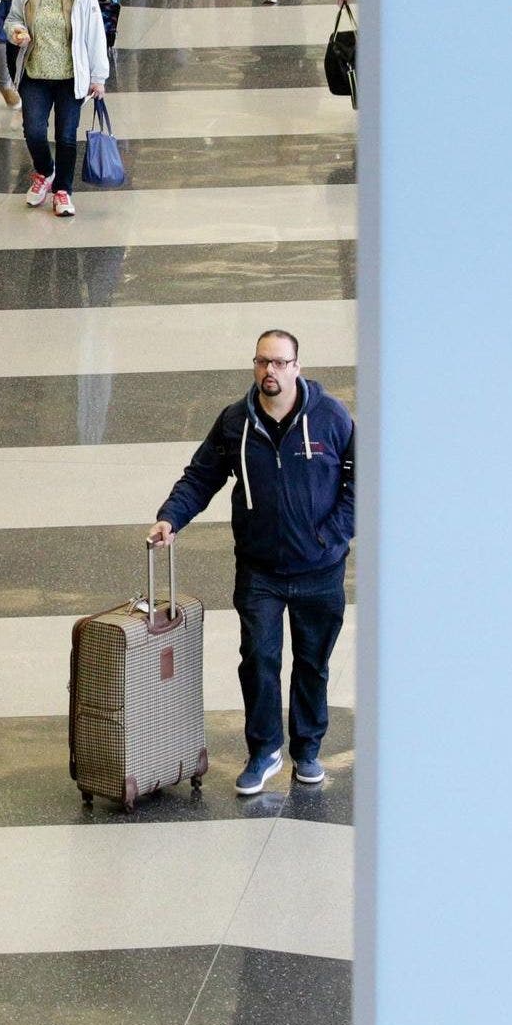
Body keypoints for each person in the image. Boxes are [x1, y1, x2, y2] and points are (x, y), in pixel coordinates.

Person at [149, 330, 356, 797]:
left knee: (312, 664)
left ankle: (306, 750)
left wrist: (333, 533)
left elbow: (362, 477)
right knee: (259, 660)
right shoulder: (235, 422)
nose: (271, 371)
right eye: (264, 362)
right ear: (254, 366)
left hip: (320, 570)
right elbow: (201, 477)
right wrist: (170, 518)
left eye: (281, 363)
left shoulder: (331, 418)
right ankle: (264, 750)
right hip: (260, 570)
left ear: (297, 367)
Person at [3, 0, 111, 219]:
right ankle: (45, 170)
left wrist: (98, 76)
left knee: (65, 136)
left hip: (69, 77)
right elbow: (12, 18)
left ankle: (63, 190)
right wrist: (15, 32)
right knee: (34, 131)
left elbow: (95, 35)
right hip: (35, 74)